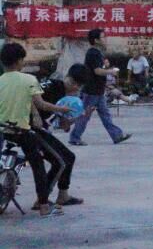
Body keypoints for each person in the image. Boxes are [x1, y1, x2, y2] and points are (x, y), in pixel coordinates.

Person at [0, 43, 74, 216]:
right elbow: (41, 104)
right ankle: (43, 206)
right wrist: (61, 109)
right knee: (38, 165)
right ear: (19, 61)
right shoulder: (29, 79)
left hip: (3, 130)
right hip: (21, 131)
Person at [34, 63, 90, 210]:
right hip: (32, 129)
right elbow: (33, 100)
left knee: (68, 157)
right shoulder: (53, 88)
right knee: (61, 161)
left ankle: (63, 195)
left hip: (40, 129)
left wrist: (79, 117)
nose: (76, 88)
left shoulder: (62, 93)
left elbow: (63, 125)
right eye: (76, 84)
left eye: (79, 86)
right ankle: (42, 199)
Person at [69, 29, 131, 146]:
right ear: (96, 40)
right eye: (102, 37)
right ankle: (74, 137)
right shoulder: (93, 53)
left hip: (98, 90)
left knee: (105, 115)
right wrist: (111, 71)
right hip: (91, 90)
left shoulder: (97, 53)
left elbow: (99, 68)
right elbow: (97, 71)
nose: (105, 39)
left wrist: (106, 67)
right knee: (85, 115)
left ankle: (117, 135)